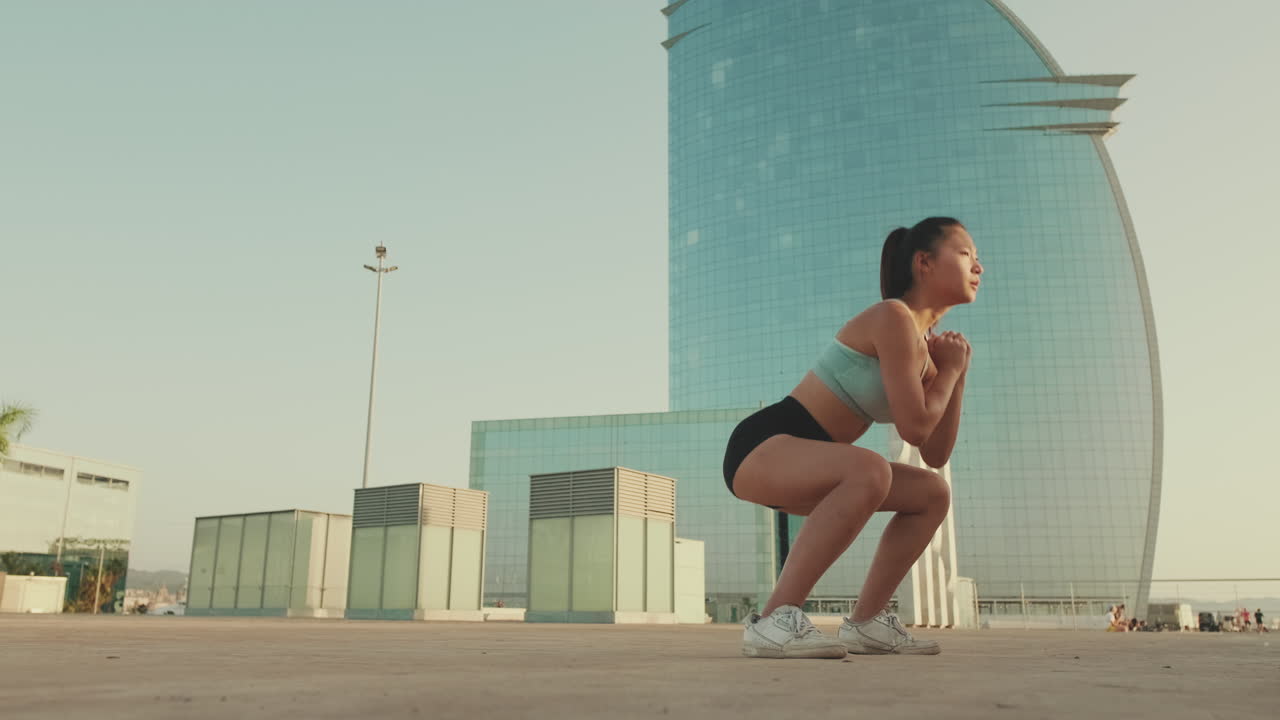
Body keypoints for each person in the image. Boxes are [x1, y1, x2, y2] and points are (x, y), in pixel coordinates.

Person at [724, 218, 982, 658]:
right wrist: (951, 372)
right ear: (924, 262)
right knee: (870, 469)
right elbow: (915, 428)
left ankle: (867, 623)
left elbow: (935, 452)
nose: (979, 265)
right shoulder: (892, 317)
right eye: (966, 254)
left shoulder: (927, 352)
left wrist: (954, 378)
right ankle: (772, 621)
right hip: (764, 446)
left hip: (820, 465)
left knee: (932, 493)